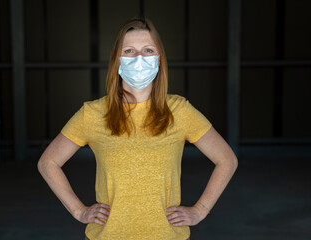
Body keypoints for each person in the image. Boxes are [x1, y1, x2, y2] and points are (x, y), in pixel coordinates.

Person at [38, 18, 238, 240]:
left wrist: (200, 210)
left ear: (159, 59)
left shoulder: (179, 111)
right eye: (130, 51)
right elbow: (48, 162)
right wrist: (79, 210)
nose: (140, 59)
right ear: (117, 60)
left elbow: (227, 159)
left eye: (148, 50)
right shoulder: (93, 113)